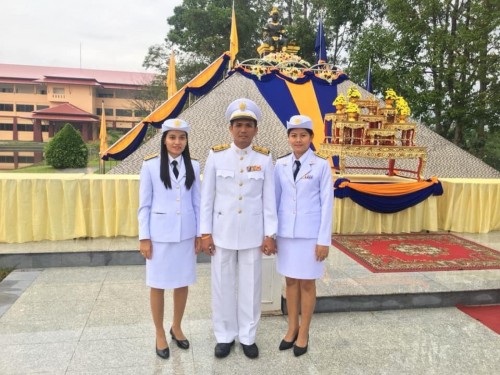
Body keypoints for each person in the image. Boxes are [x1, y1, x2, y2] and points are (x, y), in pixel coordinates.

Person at [200, 98, 278, 359]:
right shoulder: (216, 155)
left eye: (248, 125)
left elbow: (269, 199)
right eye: (238, 125)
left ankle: (247, 335)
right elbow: (207, 197)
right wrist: (205, 232)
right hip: (221, 231)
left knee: (251, 286)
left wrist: (270, 234)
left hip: (253, 233)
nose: (243, 130)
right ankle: (224, 336)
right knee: (222, 285)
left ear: (256, 130)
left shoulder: (265, 158)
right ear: (230, 129)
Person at [138, 118, 201, 360]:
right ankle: (159, 332)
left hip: (185, 235)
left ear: (186, 141)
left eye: (182, 137)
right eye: (172, 137)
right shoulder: (151, 166)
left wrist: (199, 234)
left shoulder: (193, 166)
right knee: (158, 284)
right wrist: (144, 237)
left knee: (182, 282)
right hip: (160, 236)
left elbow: (196, 202)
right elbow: (144, 205)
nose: (177, 142)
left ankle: (176, 326)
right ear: (164, 140)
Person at [274, 115, 333, 357]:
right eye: (294, 135)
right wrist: (273, 234)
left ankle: (304, 331)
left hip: (310, 235)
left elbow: (327, 204)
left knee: (307, 283)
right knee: (289, 282)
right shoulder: (280, 165)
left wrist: (323, 240)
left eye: (303, 135)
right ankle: (291, 328)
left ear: (311, 138)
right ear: (288, 138)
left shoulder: (321, 166)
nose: (298, 139)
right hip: (287, 234)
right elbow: (275, 200)